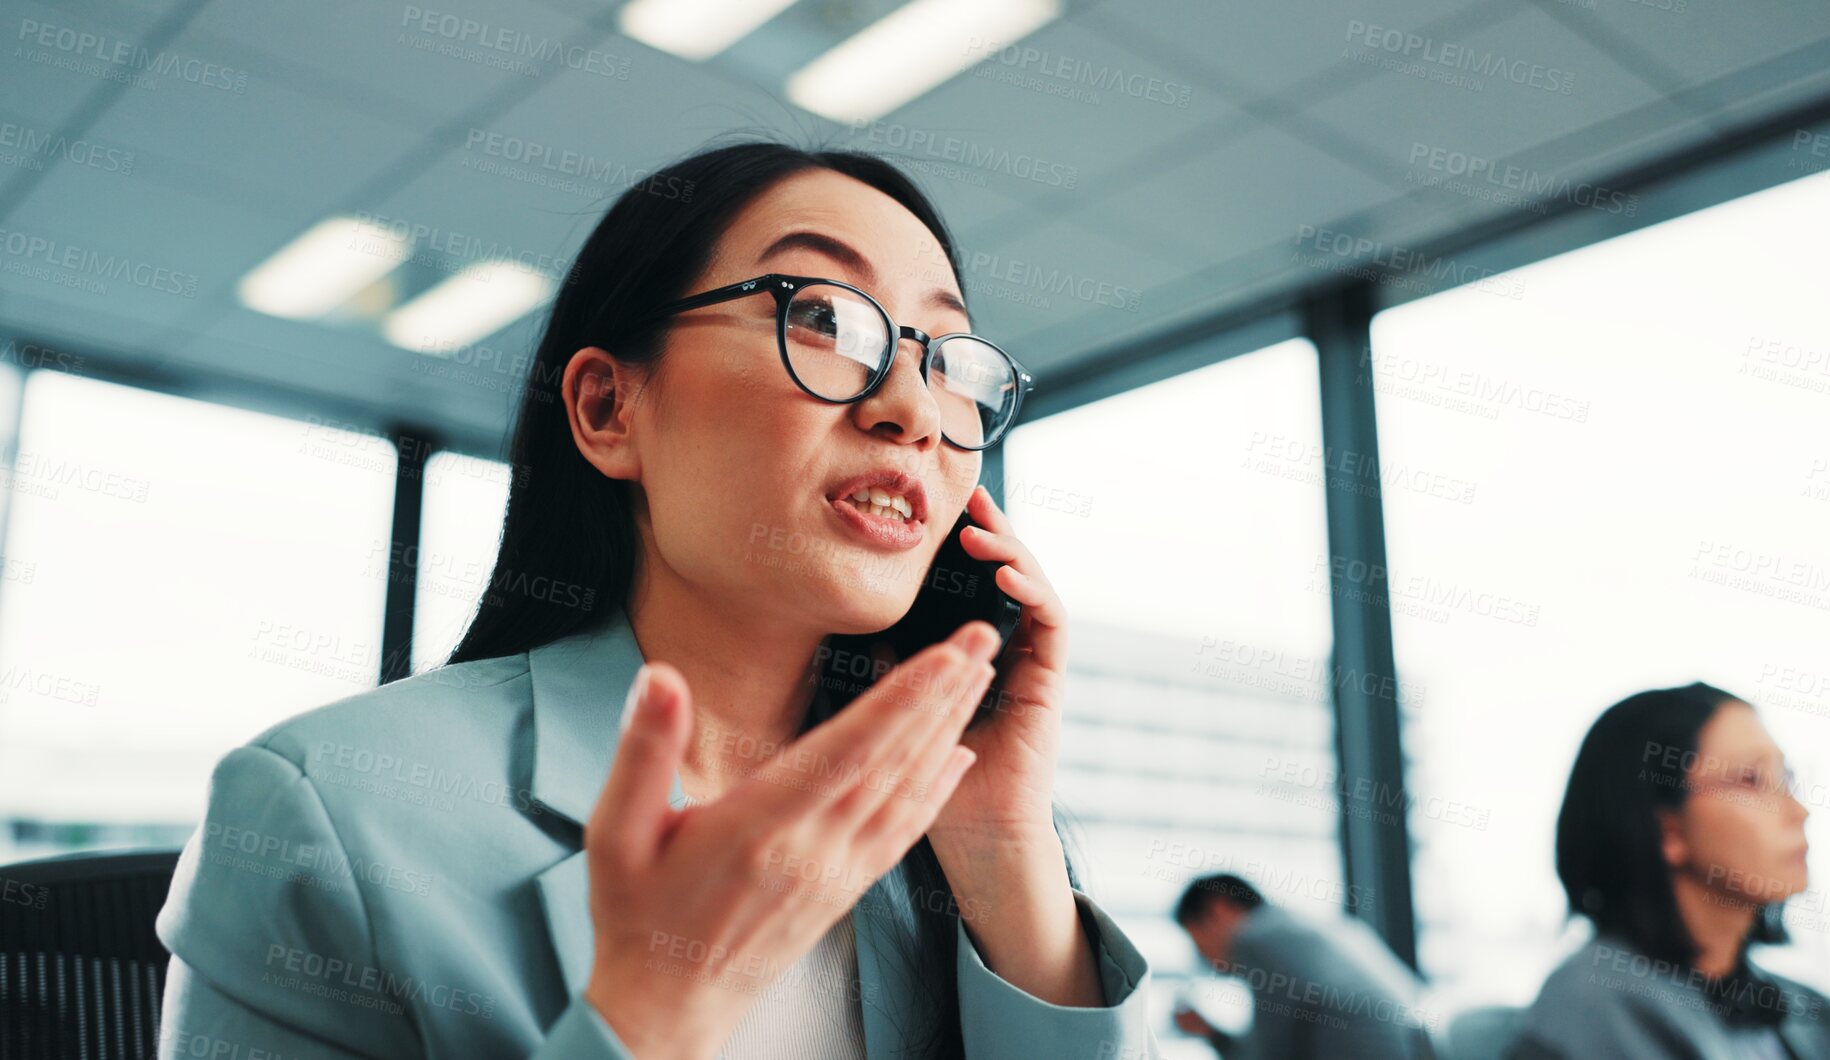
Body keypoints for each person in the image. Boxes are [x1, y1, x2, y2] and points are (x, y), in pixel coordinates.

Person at [154, 141, 1160, 1060]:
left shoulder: (936, 830)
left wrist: (1004, 853)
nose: (911, 409)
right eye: (821, 318)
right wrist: (649, 1016)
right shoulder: (322, 811)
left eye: (950, 359)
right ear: (607, 408)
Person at [1509, 682, 1830, 1059]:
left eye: (1787, 778)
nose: (1799, 812)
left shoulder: (1813, 1014)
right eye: (1751, 779)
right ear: (1666, 828)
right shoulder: (1589, 1010)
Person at [1170, 873, 1436, 1058]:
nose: (1203, 957)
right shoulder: (1307, 926)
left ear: (1218, 911)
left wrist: (1215, 1038)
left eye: (1197, 940)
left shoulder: (1256, 937)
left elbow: (1271, 1054)